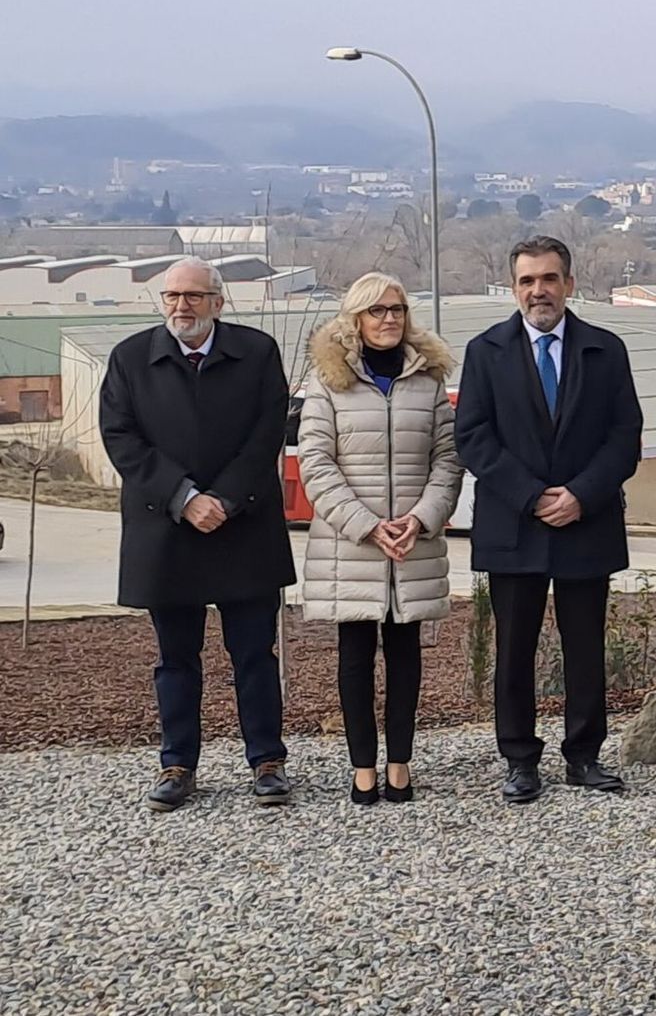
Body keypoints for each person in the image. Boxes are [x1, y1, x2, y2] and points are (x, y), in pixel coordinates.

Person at [98, 256, 297, 811]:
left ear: (218, 301)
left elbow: (267, 434)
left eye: (193, 296)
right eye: (171, 297)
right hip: (167, 528)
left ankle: (267, 762)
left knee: (254, 654)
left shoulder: (257, 353)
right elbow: (121, 439)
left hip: (244, 525)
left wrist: (225, 500)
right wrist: (185, 499)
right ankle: (177, 764)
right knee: (175, 657)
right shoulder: (131, 359)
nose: (181, 307)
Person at [455, 236, 644, 803]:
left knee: (584, 644)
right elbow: (473, 437)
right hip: (516, 523)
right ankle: (519, 759)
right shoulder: (484, 351)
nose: (539, 290)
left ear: (569, 283)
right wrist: (534, 495)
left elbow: (625, 436)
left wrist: (581, 495)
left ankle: (584, 755)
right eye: (528, 281)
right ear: (514, 288)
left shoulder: (606, 350)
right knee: (514, 647)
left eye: (550, 278)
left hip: (586, 520)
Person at [298, 273, 463, 805]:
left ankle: (401, 764)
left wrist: (420, 518)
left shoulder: (428, 380)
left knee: (406, 655)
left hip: (413, 542)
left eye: (396, 309)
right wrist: (367, 524)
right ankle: (362, 767)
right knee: (355, 657)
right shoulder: (329, 381)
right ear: (355, 319)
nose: (389, 319)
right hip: (353, 544)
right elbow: (317, 463)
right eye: (376, 311)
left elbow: (448, 458)